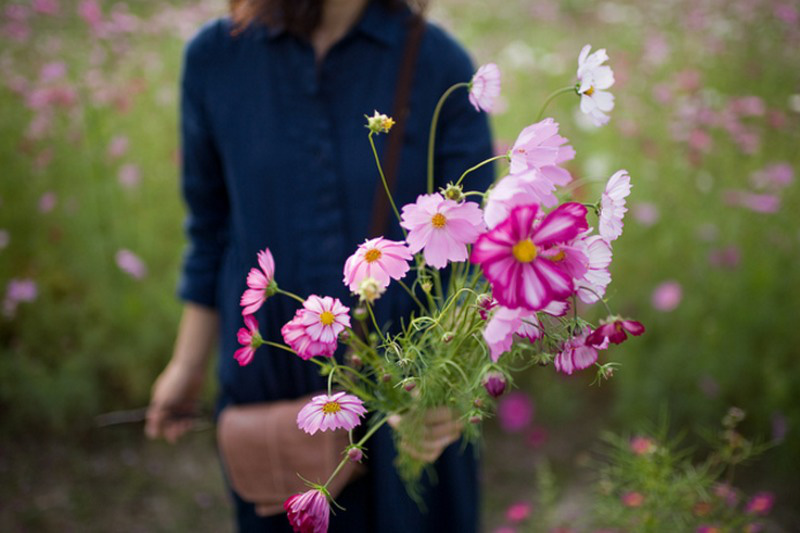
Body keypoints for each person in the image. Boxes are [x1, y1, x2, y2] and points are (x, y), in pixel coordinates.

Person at [145, 0, 494, 530]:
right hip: (270, 377)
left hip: (408, 387)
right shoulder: (217, 59)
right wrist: (186, 367)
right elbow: (213, 230)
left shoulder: (437, 64)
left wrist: (445, 384)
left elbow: (477, 255)